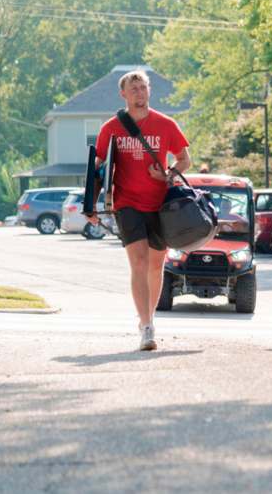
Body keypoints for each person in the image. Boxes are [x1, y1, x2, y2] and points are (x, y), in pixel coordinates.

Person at [87, 69, 191, 351]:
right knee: (140, 262)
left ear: (149, 91)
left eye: (143, 88)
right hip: (127, 202)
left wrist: (167, 175)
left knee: (157, 265)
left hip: (161, 204)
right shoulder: (112, 128)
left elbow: (184, 159)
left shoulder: (166, 124)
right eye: (133, 89)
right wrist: (91, 204)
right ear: (123, 94)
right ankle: (146, 327)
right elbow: (97, 170)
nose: (139, 93)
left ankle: (150, 317)